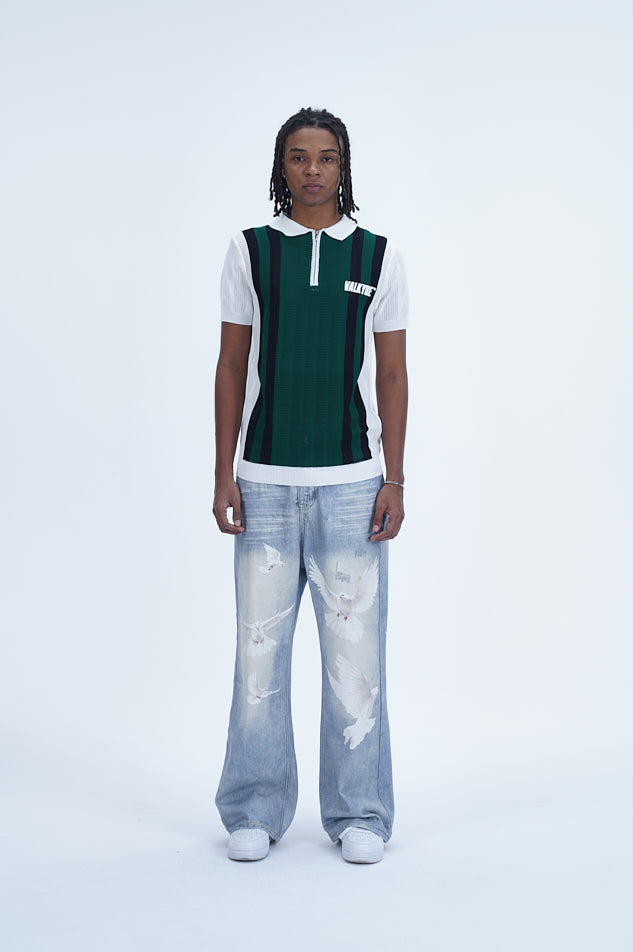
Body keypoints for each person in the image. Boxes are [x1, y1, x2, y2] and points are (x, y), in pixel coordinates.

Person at [212, 107, 408, 864]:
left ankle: (360, 813)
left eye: (326, 157)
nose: (313, 170)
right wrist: (223, 470)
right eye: (299, 157)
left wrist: (395, 477)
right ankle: (253, 807)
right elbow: (232, 364)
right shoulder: (251, 250)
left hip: (353, 484)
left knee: (355, 659)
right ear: (281, 167)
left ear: (343, 164)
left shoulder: (378, 254)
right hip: (263, 483)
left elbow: (392, 373)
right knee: (258, 657)